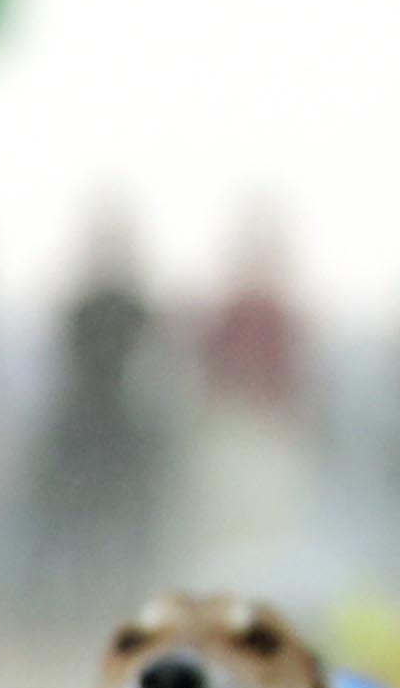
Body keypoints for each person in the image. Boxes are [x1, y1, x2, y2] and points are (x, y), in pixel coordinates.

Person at [29, 211, 174, 608]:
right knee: (66, 519)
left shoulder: (135, 308)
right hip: (84, 421)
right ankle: (59, 600)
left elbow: (155, 368)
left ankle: (120, 596)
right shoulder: (82, 308)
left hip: (118, 422)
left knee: (130, 518)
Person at [189, 208, 319, 588]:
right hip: (232, 430)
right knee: (224, 526)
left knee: (268, 529)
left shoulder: (283, 315)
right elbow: (209, 374)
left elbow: (297, 379)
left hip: (270, 433)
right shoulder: (227, 313)